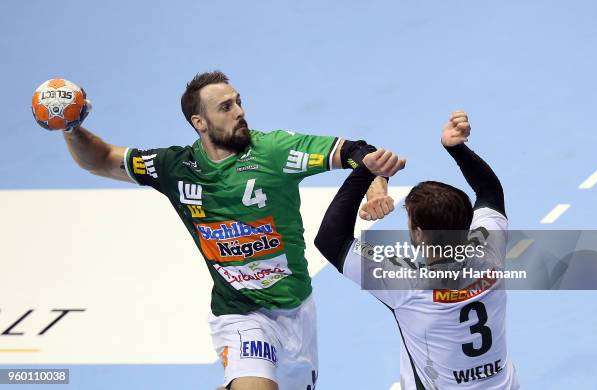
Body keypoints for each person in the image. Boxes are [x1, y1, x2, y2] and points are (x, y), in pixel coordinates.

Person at [47, 70, 405, 390]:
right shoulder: (175, 167)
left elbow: (359, 152)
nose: (239, 111)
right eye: (226, 107)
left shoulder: (276, 151)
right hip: (240, 313)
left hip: (297, 309)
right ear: (199, 122)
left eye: (238, 102)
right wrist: (71, 128)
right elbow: (103, 160)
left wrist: (376, 185)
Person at [315, 111, 519, 389]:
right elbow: (490, 193)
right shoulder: (489, 253)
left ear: (418, 234)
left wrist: (365, 171)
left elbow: (330, 240)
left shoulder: (406, 285)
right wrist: (457, 149)